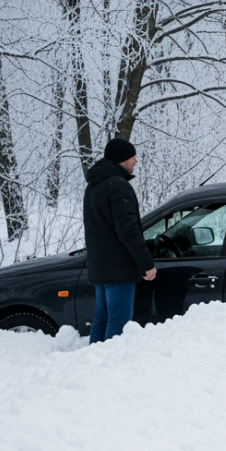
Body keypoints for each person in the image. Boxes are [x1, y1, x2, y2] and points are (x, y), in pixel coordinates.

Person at [83, 138, 157, 344]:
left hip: (99, 265)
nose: (136, 160)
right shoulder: (118, 186)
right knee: (119, 323)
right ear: (120, 159)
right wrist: (147, 264)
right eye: (131, 156)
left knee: (102, 319)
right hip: (119, 268)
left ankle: (93, 363)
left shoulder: (94, 187)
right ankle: (110, 371)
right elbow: (128, 231)